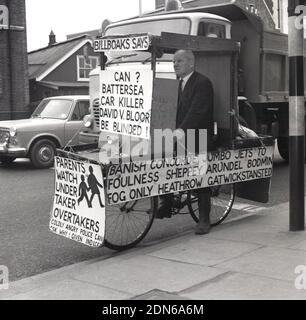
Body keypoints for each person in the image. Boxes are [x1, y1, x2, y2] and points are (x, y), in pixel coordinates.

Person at [156, 49, 214, 235]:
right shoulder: (176, 84)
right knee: (164, 165)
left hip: (198, 136)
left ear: (191, 63)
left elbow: (197, 111)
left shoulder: (202, 83)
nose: (175, 64)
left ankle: (204, 219)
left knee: (199, 176)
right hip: (178, 135)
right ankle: (167, 202)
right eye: (173, 61)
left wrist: (181, 130)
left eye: (179, 61)